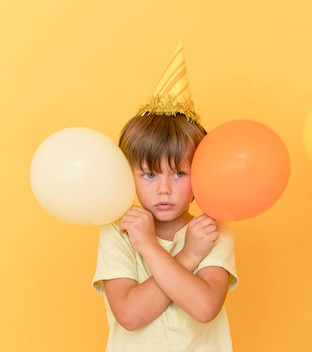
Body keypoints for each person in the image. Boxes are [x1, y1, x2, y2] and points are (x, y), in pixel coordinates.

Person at [92, 44, 238, 352]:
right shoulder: (119, 232)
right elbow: (130, 315)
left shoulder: (211, 231)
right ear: (127, 174)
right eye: (149, 175)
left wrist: (184, 247)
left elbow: (204, 308)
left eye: (179, 174)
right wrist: (187, 255)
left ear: (201, 172)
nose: (164, 190)